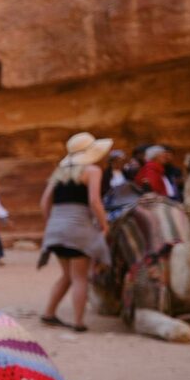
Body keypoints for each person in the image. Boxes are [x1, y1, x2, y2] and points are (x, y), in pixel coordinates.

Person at [38, 132, 112, 333]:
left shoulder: (59, 172)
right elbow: (94, 201)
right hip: (78, 227)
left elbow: (45, 201)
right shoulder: (92, 170)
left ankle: (49, 313)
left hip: (56, 228)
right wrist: (104, 225)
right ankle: (79, 322)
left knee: (66, 275)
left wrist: (50, 224)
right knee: (80, 277)